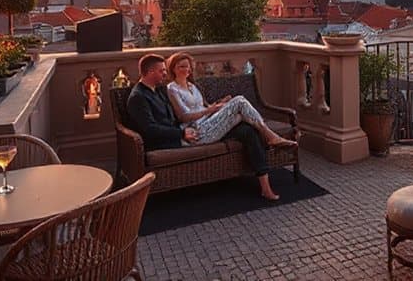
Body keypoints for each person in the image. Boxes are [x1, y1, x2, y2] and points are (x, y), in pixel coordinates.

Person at [124, 54, 285, 200]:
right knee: (240, 101)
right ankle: (271, 137)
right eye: (162, 71)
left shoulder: (157, 90)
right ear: (150, 72)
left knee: (248, 130)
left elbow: (188, 111)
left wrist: (216, 107)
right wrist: (181, 133)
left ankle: (265, 186)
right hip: (186, 138)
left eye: (165, 71)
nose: (165, 75)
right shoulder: (138, 97)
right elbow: (150, 129)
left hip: (196, 129)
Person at [165, 52, 296, 149]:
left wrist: (220, 104)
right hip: (197, 132)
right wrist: (210, 110)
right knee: (239, 101)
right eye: (182, 67)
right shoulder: (172, 89)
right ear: (173, 69)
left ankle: (267, 144)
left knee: (241, 114)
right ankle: (271, 137)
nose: (186, 70)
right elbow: (183, 117)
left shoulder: (192, 85)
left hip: (208, 122)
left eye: (188, 67)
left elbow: (204, 108)